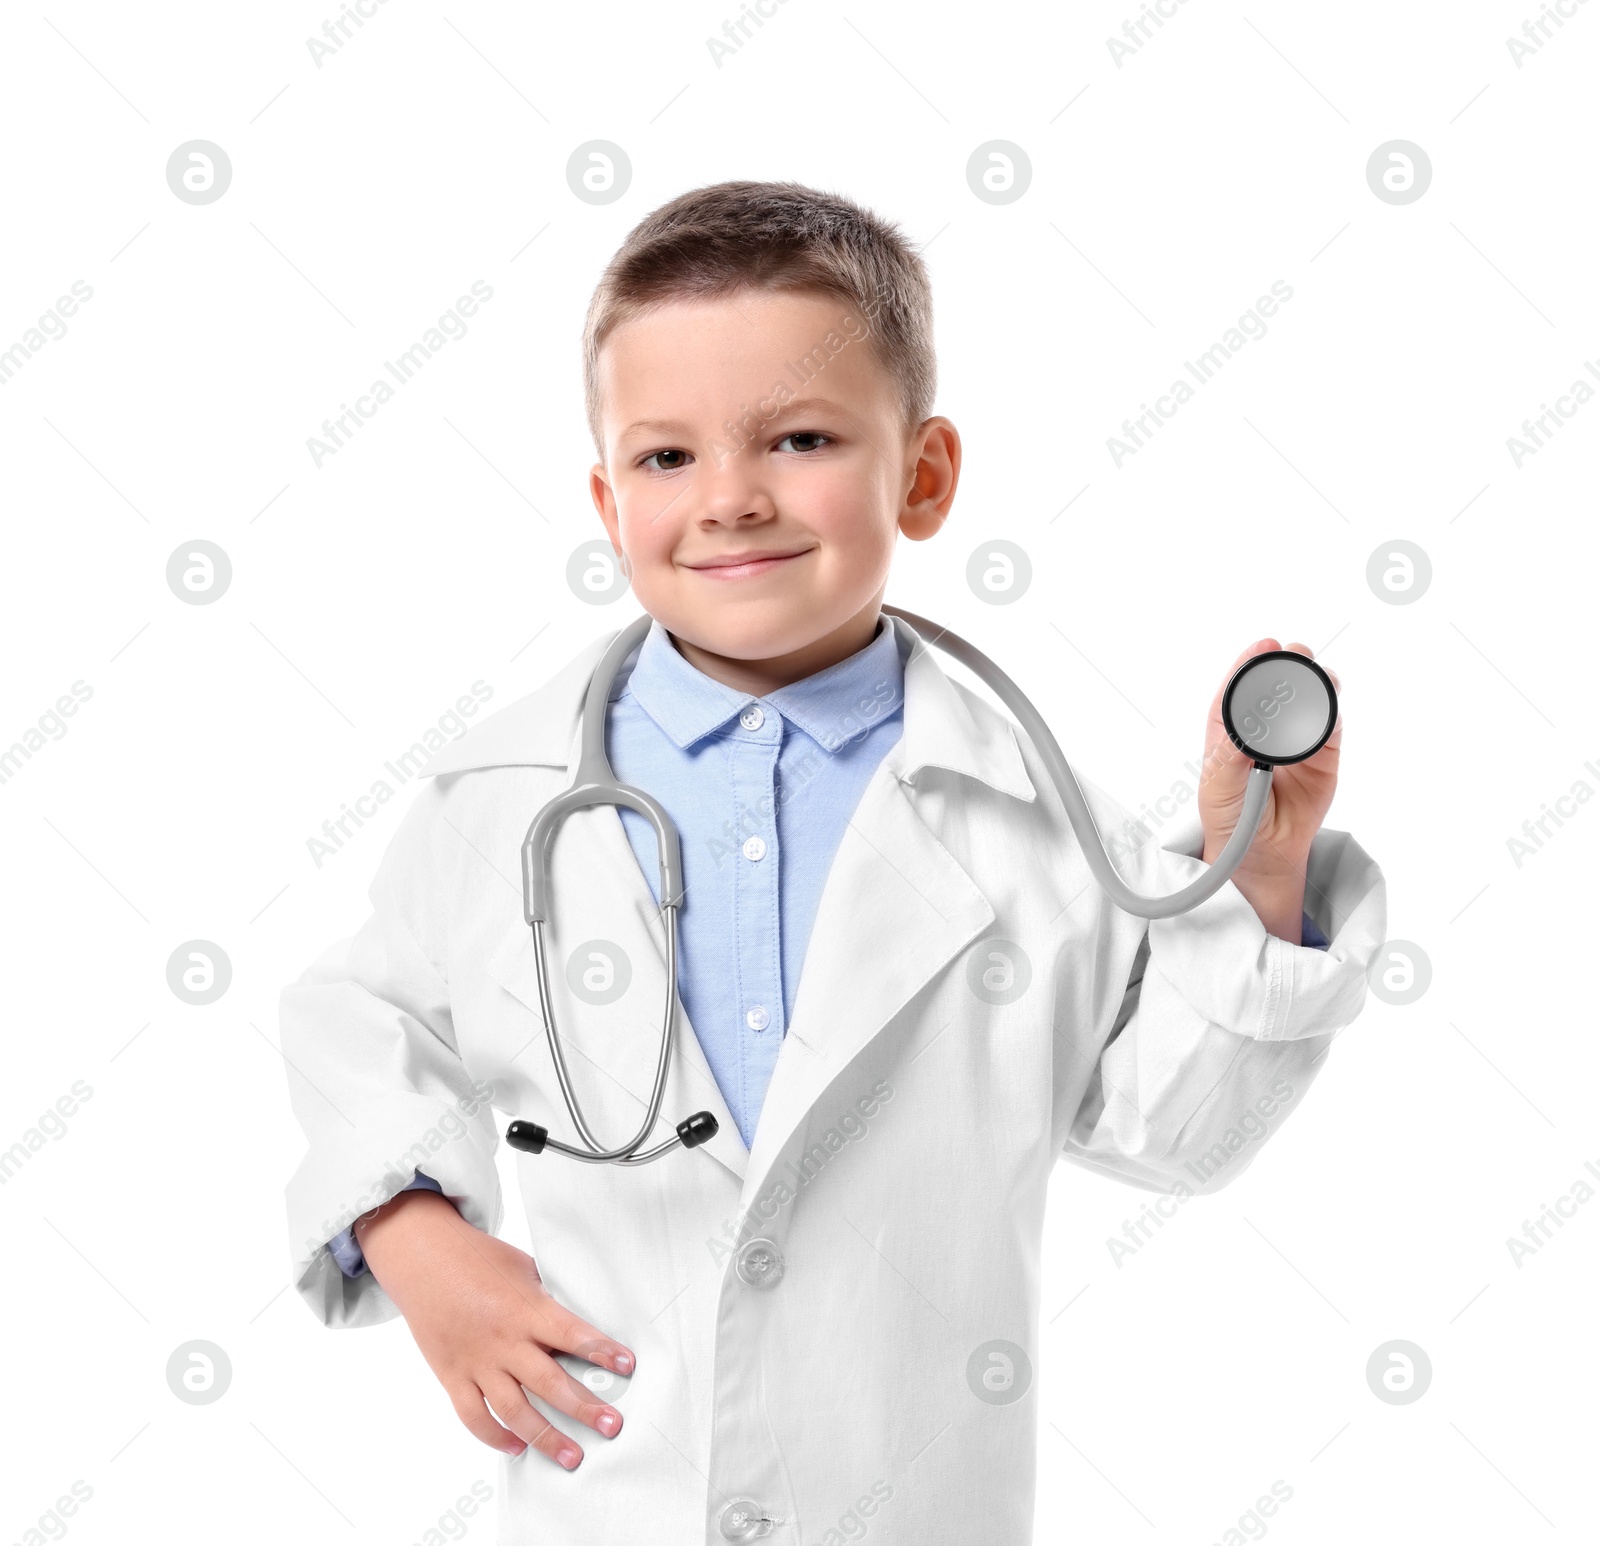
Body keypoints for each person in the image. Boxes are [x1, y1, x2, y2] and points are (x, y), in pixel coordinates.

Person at [280, 179, 1386, 1544]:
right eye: (666, 458)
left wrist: (1260, 870)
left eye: (798, 438)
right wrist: (417, 1238)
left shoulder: (1031, 820)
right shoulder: (498, 803)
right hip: (607, 1500)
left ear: (921, 476)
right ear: (604, 495)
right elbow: (356, 1016)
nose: (731, 499)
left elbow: (1180, 1132)